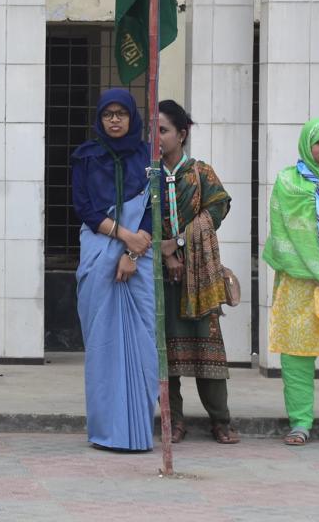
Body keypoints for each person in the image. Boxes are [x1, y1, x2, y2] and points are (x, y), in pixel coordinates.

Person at [71, 88, 158, 452]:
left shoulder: (148, 157)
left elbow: (154, 210)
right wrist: (123, 237)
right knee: (103, 344)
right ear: (100, 118)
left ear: (132, 117)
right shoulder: (86, 156)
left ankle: (139, 430)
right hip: (99, 251)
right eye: (109, 114)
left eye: (122, 113)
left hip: (140, 255)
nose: (115, 120)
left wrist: (133, 254)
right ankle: (107, 430)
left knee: (142, 341)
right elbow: (85, 210)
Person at [263, 117, 319, 448]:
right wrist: (309, 267)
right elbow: (281, 232)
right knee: (296, 355)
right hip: (298, 281)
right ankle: (300, 423)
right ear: (307, 145)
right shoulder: (287, 182)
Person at [157, 100, 239, 444]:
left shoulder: (201, 173)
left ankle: (221, 421)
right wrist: (165, 253)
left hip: (199, 275)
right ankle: (173, 422)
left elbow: (219, 205)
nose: (156, 137)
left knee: (208, 349)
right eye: (152, 131)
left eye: (162, 130)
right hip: (162, 277)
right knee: (167, 354)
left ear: (182, 134)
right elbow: (141, 218)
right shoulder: (147, 174)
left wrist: (179, 242)